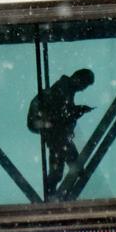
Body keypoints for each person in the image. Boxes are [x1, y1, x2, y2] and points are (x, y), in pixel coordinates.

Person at [27, 68, 95, 199]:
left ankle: (52, 195)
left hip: (52, 129)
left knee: (65, 162)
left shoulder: (64, 89)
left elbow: (62, 114)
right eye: (84, 85)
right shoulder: (62, 90)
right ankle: (52, 195)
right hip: (53, 130)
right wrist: (78, 111)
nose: (83, 89)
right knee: (67, 163)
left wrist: (77, 111)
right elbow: (60, 115)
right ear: (78, 79)